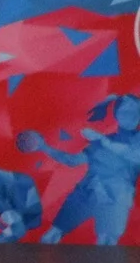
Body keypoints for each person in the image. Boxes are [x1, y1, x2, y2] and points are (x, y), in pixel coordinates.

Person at [21, 94, 140, 243]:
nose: (130, 114)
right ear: (117, 115)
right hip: (85, 194)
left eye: (134, 110)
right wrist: (43, 147)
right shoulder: (100, 141)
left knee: (106, 246)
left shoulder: (113, 140)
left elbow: (133, 154)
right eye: (125, 110)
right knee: (50, 237)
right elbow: (72, 161)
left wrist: (102, 140)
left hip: (116, 199)